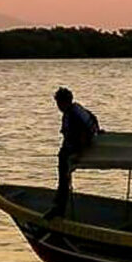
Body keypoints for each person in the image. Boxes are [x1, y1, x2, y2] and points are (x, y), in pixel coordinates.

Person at [46, 87, 101, 218]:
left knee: (63, 179)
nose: (58, 106)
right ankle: (58, 205)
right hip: (73, 147)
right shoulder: (78, 109)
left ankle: (59, 209)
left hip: (74, 150)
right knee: (63, 178)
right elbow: (94, 119)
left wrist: (77, 153)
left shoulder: (72, 114)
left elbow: (81, 134)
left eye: (59, 103)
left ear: (63, 102)